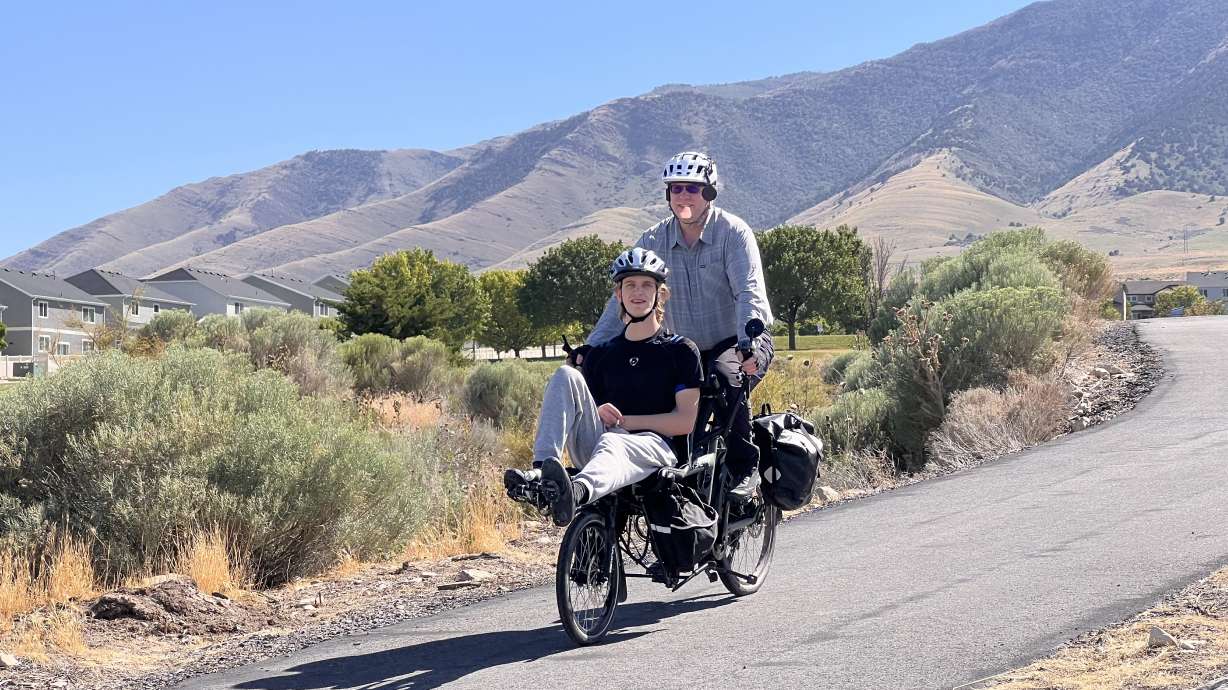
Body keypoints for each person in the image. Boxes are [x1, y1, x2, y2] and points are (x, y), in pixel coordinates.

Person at [582, 151, 774, 503]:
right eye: (676, 189)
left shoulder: (733, 232)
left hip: (737, 339)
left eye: (693, 188)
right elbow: (621, 303)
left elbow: (749, 291)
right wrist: (591, 348)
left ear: (710, 193)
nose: (684, 196)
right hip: (682, 349)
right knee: (675, 424)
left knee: (726, 374)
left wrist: (750, 341)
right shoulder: (652, 240)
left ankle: (746, 467)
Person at [504, 247, 703, 527]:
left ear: (660, 293)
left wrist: (625, 422)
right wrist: (598, 412)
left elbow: (684, 422)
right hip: (601, 446)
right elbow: (587, 410)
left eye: (647, 285)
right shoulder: (602, 354)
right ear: (618, 295)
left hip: (655, 449)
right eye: (630, 285)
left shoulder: (680, 350)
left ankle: (575, 492)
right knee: (565, 374)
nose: (639, 292)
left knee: (614, 440)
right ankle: (542, 475)